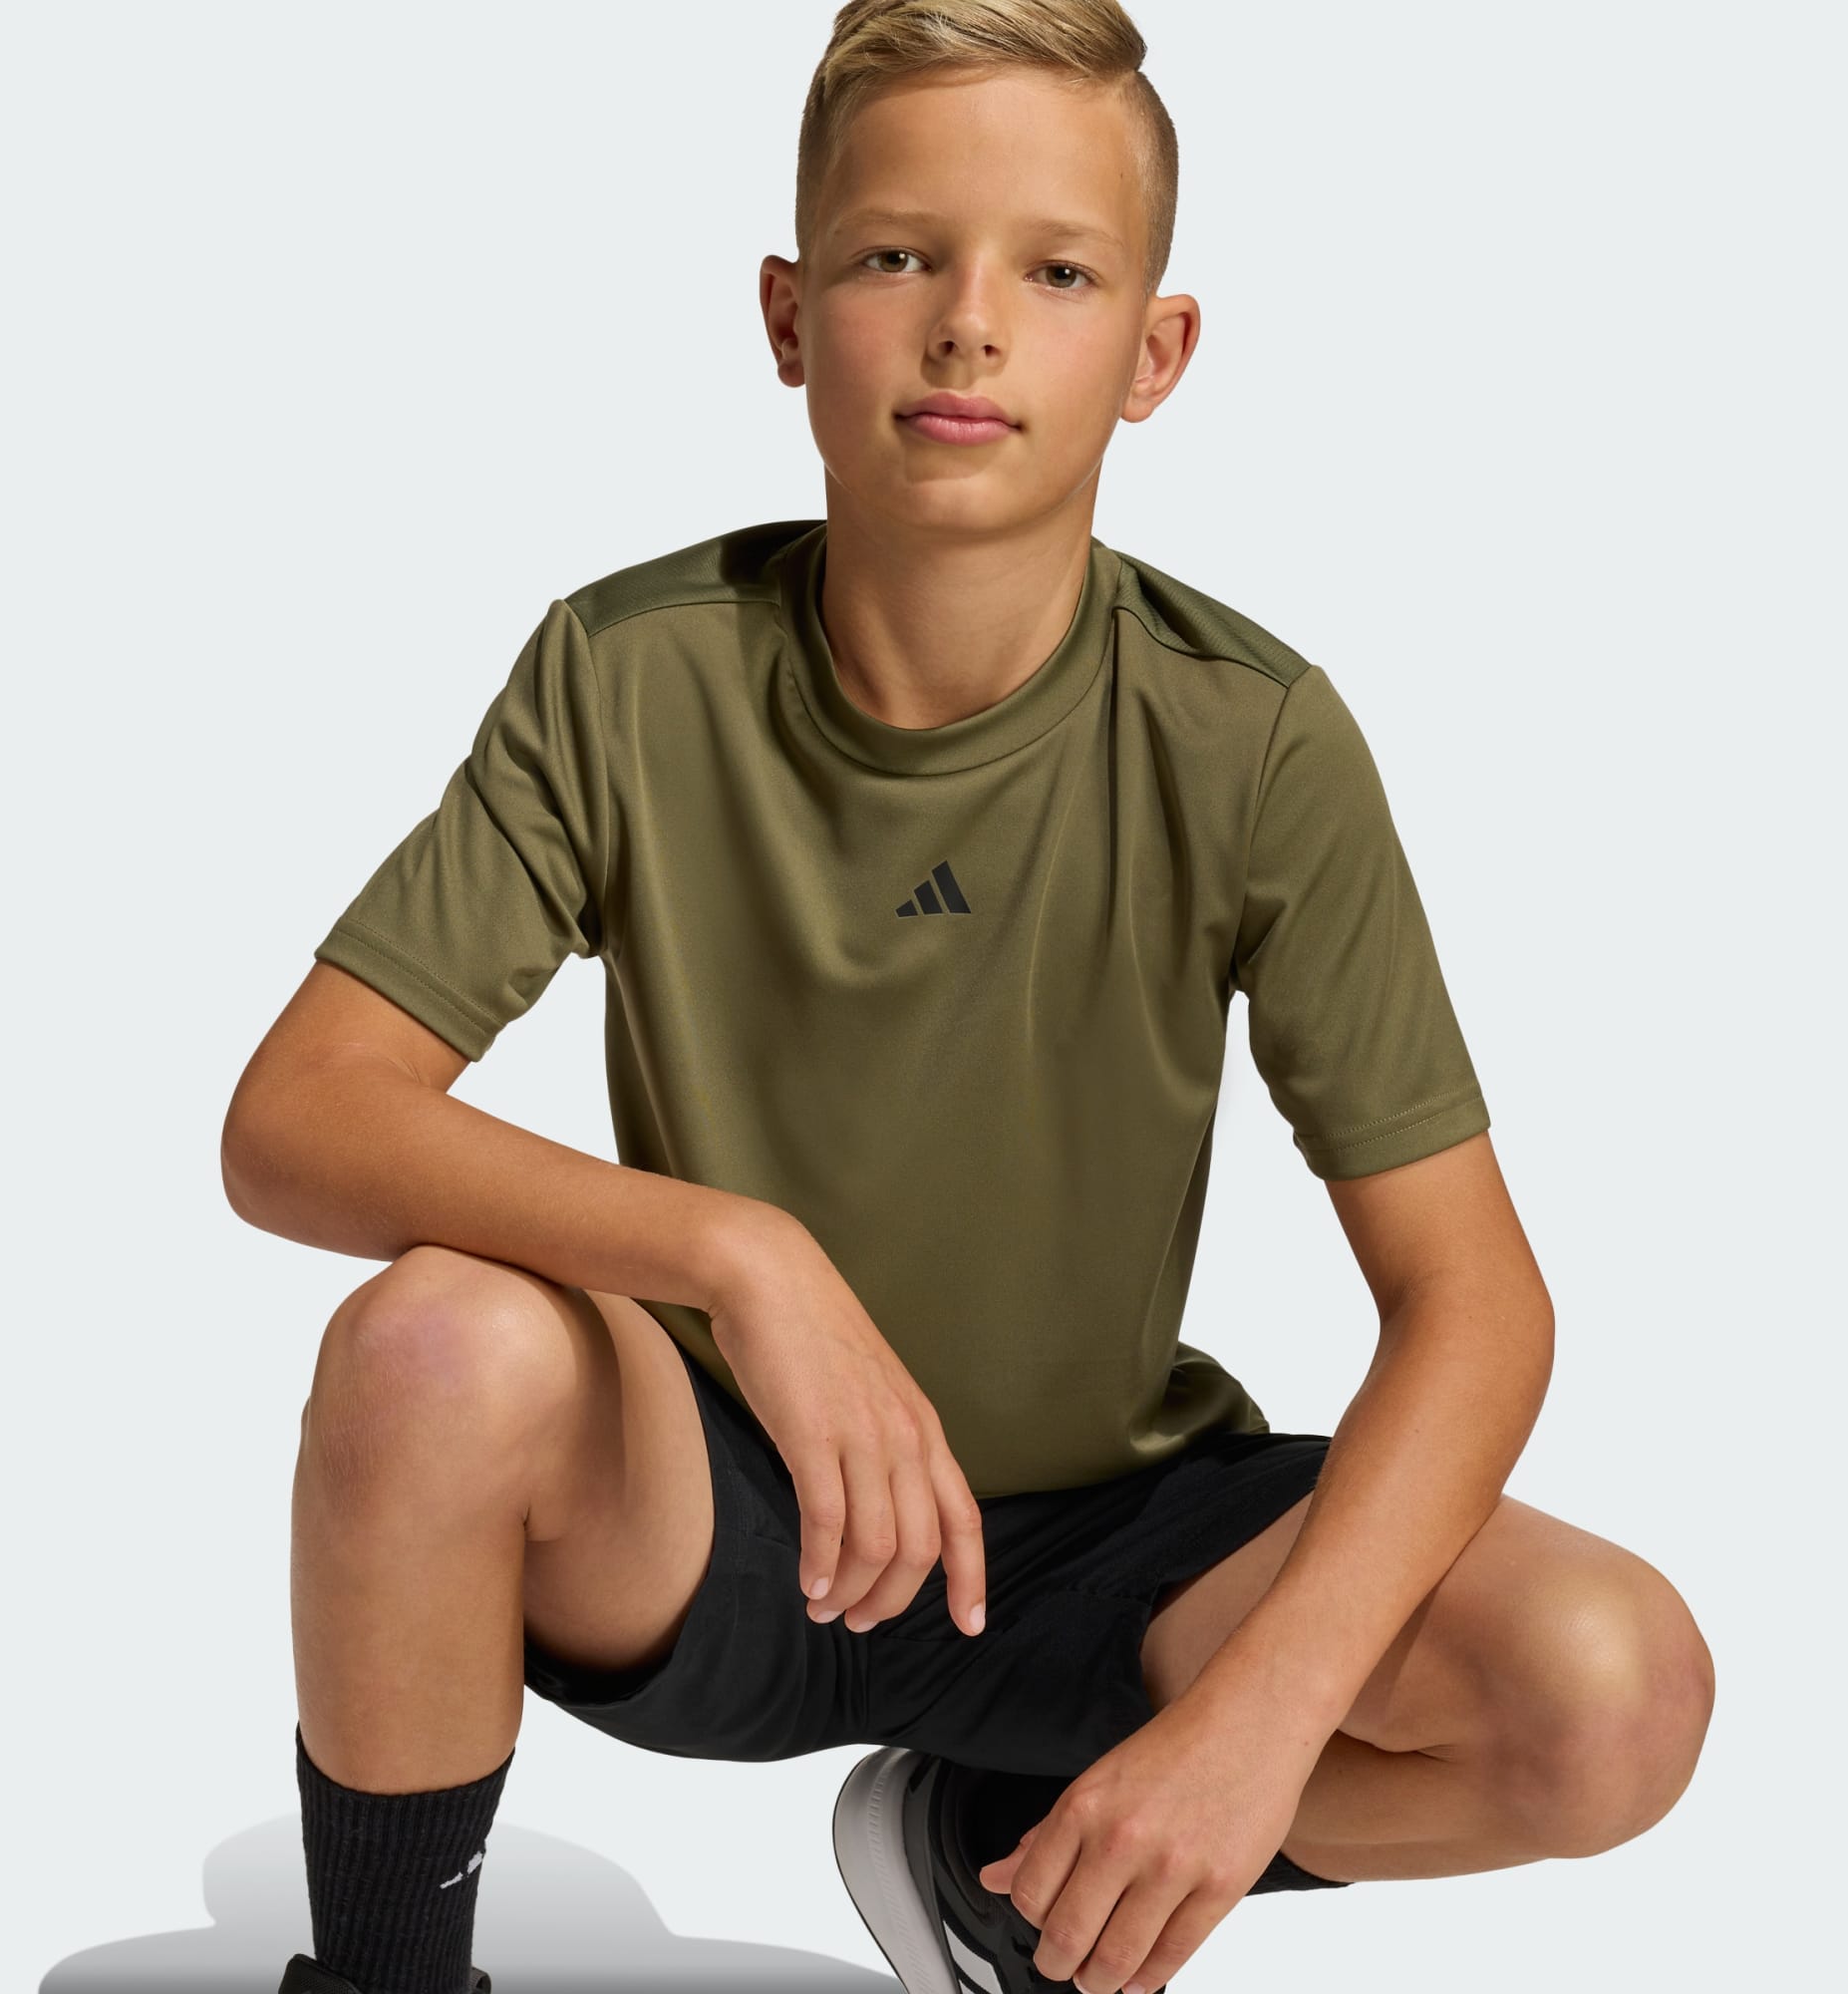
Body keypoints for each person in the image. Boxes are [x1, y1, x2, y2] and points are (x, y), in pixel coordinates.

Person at [221, 4, 1716, 1991]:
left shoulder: (1248, 735)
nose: (968, 328)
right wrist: (739, 1254)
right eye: (896, 255)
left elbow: (1476, 1300)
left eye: (1057, 272)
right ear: (788, 314)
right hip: (715, 1519)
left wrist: (1261, 1722)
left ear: (1156, 353)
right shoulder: (629, 674)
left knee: (1610, 1690)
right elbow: (299, 1117)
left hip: (1110, 1553)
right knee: (427, 1346)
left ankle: (1002, 1861)